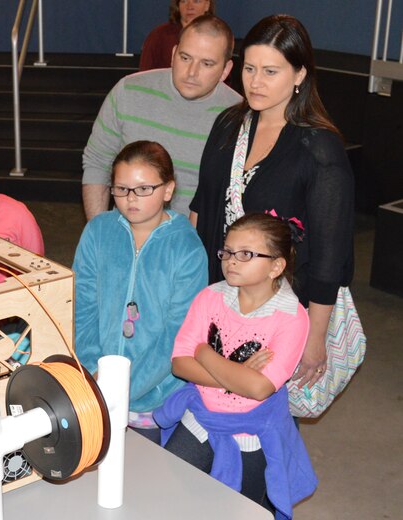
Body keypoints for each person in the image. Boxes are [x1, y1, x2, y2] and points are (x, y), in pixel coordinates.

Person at [189, 15, 355, 390]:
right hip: (221, 296)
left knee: (261, 413)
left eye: (270, 71)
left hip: (281, 312)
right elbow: (202, 206)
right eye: (249, 68)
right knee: (209, 398)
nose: (255, 82)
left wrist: (314, 338)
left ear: (299, 75)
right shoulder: (229, 125)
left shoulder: (319, 148)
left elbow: (330, 257)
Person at [155, 212, 317, 517]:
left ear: (276, 266)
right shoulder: (209, 297)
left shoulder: (292, 317)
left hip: (252, 435)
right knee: (169, 494)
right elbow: (179, 364)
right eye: (227, 252)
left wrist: (204, 353)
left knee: (241, 510)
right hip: (201, 417)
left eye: (246, 254)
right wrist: (238, 373)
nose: (231, 260)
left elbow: (258, 389)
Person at [73, 140, 207, 442]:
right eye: (121, 189)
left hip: (155, 396)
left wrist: (126, 387)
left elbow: (179, 331)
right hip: (97, 386)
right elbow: (82, 306)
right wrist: (95, 372)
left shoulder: (186, 247)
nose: (131, 199)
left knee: (144, 478)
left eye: (144, 189)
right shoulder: (98, 231)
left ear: (169, 190)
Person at [83, 14, 241, 220]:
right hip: (126, 234)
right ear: (173, 54)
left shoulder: (238, 115)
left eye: (207, 64)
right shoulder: (128, 91)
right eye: (185, 58)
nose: (192, 72)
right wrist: (99, 233)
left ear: (225, 70)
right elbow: (98, 163)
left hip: (196, 245)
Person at [139, 0, 214, 71]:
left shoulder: (217, 37)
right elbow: (144, 76)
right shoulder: (159, 36)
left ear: (207, 5)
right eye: (184, 1)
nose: (189, 7)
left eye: (196, 1)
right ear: (178, 5)